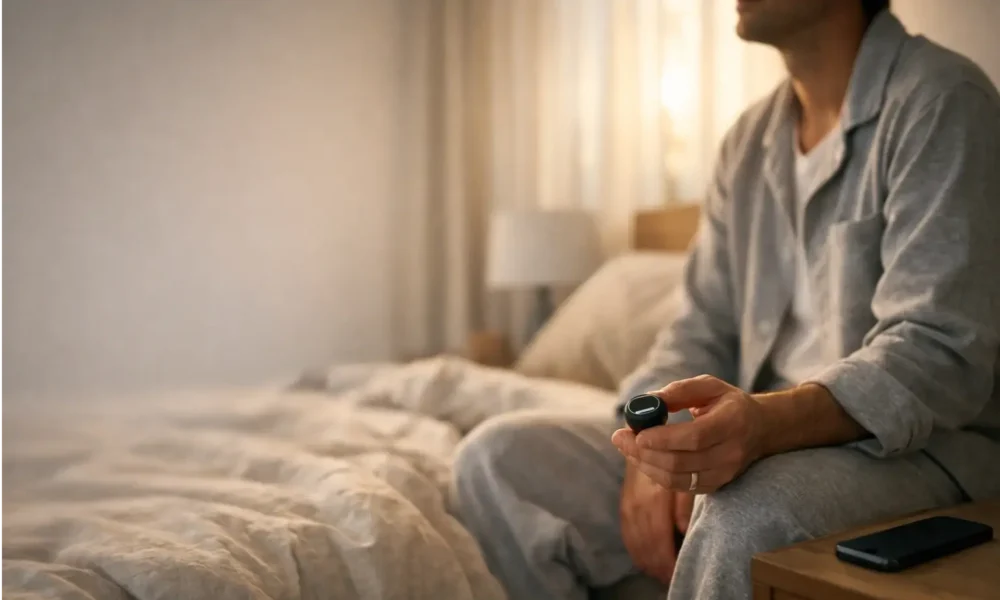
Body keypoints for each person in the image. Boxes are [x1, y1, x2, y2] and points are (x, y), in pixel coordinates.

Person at [451, 0, 1000, 598]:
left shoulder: (942, 100)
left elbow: (937, 352)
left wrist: (764, 424)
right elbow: (696, 329)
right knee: (497, 458)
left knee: (744, 508)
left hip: (917, 450)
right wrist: (647, 451)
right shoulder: (748, 141)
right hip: (752, 437)